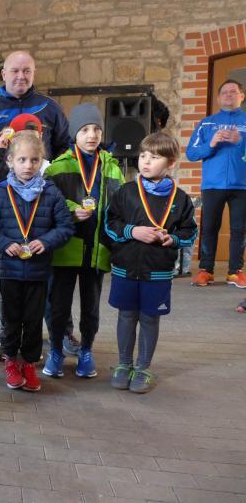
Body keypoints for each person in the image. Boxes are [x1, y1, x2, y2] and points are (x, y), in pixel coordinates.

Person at [0, 134, 73, 391]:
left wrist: (46, 241)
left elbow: (65, 226)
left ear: (41, 161)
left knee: (33, 320)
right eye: (22, 159)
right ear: (10, 161)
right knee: (11, 319)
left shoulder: (51, 193)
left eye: (34, 160)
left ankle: (29, 363)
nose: (28, 165)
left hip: (38, 271)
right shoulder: (0, 193)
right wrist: (3, 243)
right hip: (9, 270)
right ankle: (11, 361)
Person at [105, 132, 197, 393]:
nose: (145, 161)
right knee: (126, 316)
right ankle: (124, 364)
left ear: (171, 163)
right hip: (125, 268)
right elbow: (110, 224)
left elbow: (189, 231)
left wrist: (173, 239)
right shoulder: (126, 192)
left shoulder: (180, 198)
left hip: (157, 272)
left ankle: (143, 367)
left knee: (149, 318)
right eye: (143, 156)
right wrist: (132, 231)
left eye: (154, 157)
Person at [43, 103, 125, 378]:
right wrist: (70, 210)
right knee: (58, 306)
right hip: (65, 250)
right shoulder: (57, 168)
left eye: (97, 129)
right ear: (74, 134)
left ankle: (87, 350)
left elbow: (119, 208)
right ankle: (56, 350)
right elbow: (49, 201)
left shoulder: (112, 168)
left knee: (91, 308)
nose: (92, 135)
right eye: (85, 129)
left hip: (97, 250)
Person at [187, 79, 246, 288]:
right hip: (212, 185)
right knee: (210, 227)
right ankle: (206, 270)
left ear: (242, 96)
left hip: (242, 186)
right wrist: (211, 143)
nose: (229, 94)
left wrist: (240, 142)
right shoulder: (206, 124)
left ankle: (235, 272)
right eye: (225, 92)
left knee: (239, 229)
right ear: (219, 98)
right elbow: (191, 153)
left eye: (233, 91)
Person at [0, 50, 71, 160]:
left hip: (43, 171)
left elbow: (65, 145)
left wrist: (53, 168)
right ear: (4, 74)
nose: (21, 76)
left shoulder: (49, 106)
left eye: (27, 71)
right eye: (15, 71)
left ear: (33, 74)